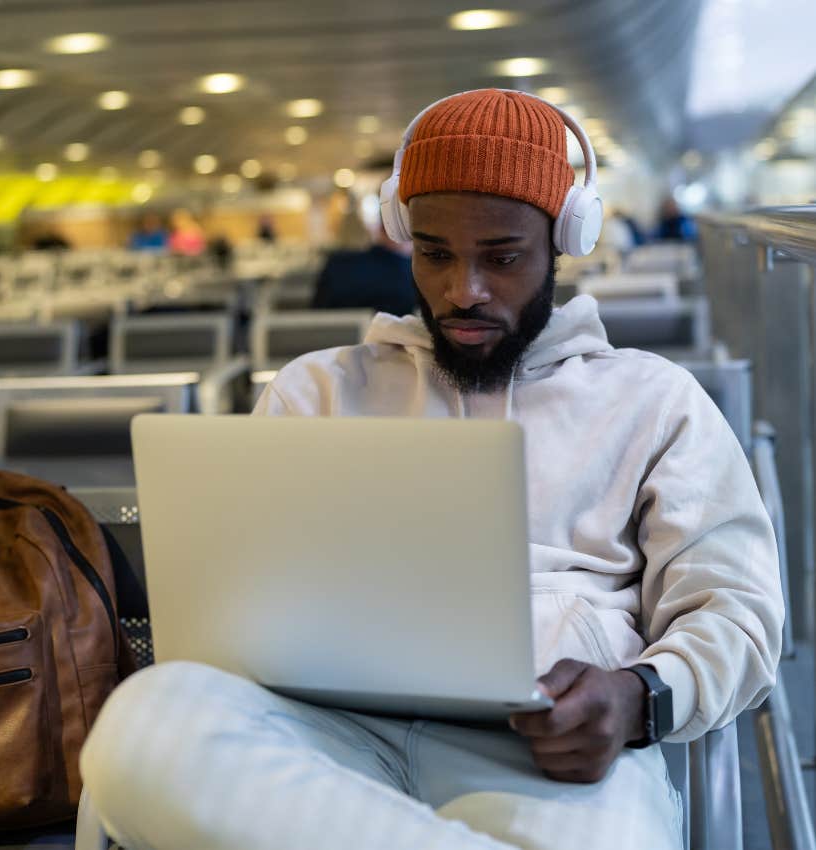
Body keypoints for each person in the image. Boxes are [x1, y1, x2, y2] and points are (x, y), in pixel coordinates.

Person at [81, 90, 783, 850]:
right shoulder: (317, 390)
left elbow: (737, 612)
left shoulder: (651, 400)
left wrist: (640, 695)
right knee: (144, 726)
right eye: (435, 253)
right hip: (326, 737)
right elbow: (244, 613)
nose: (463, 291)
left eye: (502, 257)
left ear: (564, 238)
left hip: (544, 750)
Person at [312, 222, 416, 316]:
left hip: (332, 336)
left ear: (380, 230)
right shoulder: (411, 277)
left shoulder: (336, 265)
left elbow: (317, 313)